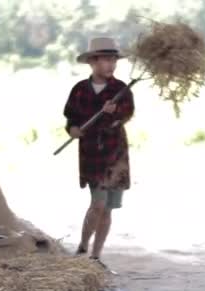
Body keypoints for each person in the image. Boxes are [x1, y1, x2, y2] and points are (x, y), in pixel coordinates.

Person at [63, 37, 135, 264]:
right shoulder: (80, 90)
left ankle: (96, 256)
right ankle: (83, 247)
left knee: (108, 209)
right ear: (93, 62)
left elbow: (126, 114)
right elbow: (71, 117)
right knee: (97, 204)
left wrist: (113, 112)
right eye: (105, 60)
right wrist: (72, 129)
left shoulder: (121, 90)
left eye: (113, 60)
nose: (111, 65)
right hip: (92, 155)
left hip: (115, 156)